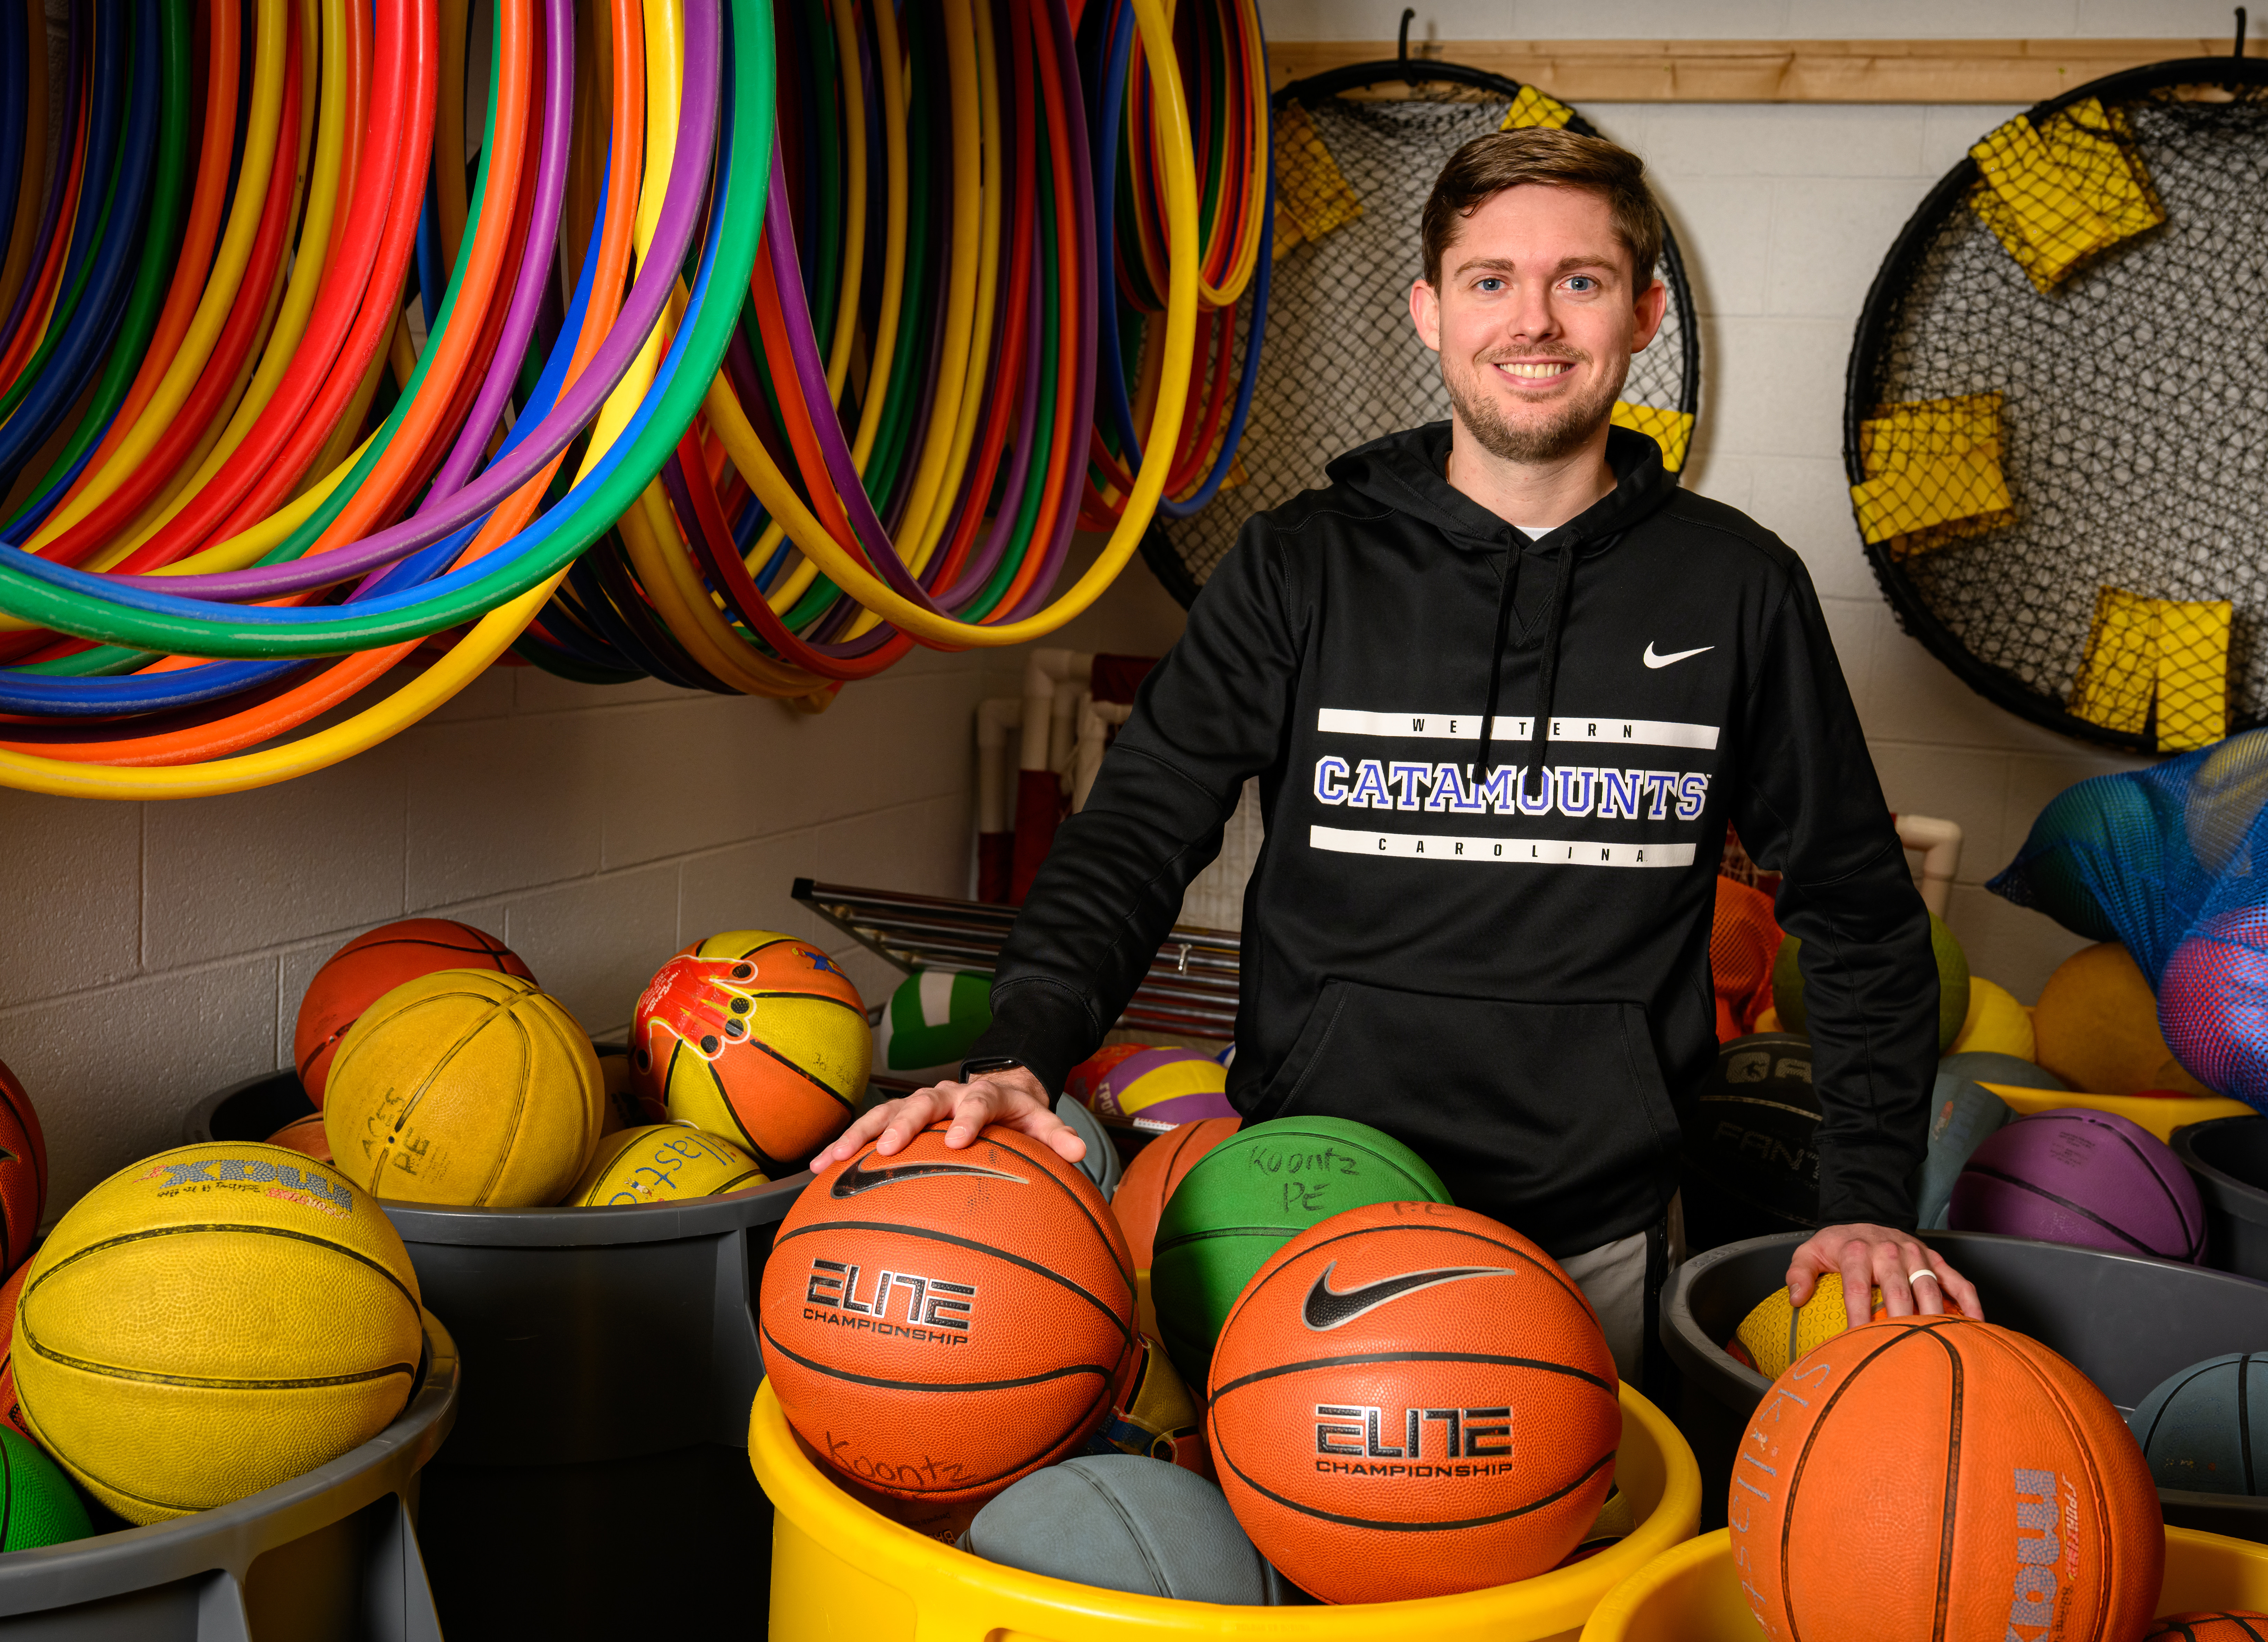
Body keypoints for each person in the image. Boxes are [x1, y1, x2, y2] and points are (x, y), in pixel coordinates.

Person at [811, 126, 1981, 1377]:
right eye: (1491, 281)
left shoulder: (1738, 588)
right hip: (1301, 1207)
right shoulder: (1299, 564)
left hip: (1594, 1239)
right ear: (1430, 311)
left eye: (1578, 281)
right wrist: (1019, 1052)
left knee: (1570, 1564)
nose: (1532, 322)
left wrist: (1864, 1198)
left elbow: (1861, 916)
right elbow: (1138, 832)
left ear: (1643, 315)